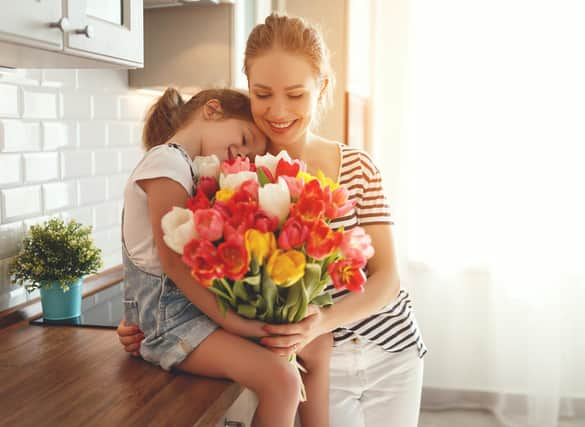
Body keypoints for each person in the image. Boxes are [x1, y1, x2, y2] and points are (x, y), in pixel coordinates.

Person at [119, 13, 427, 427]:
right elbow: (192, 266)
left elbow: (387, 277)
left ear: (322, 88)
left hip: (392, 352)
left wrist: (321, 322)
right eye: (262, 93)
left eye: (296, 94)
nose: (278, 110)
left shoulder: (358, 166)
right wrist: (141, 317)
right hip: (318, 361)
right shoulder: (226, 177)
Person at [120, 86, 333, 427]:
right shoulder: (166, 161)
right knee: (282, 381)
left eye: (249, 155)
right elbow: (174, 264)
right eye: (246, 137)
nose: (241, 155)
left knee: (318, 343)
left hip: (196, 315)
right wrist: (238, 324)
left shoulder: (189, 168)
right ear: (212, 109)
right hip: (173, 323)